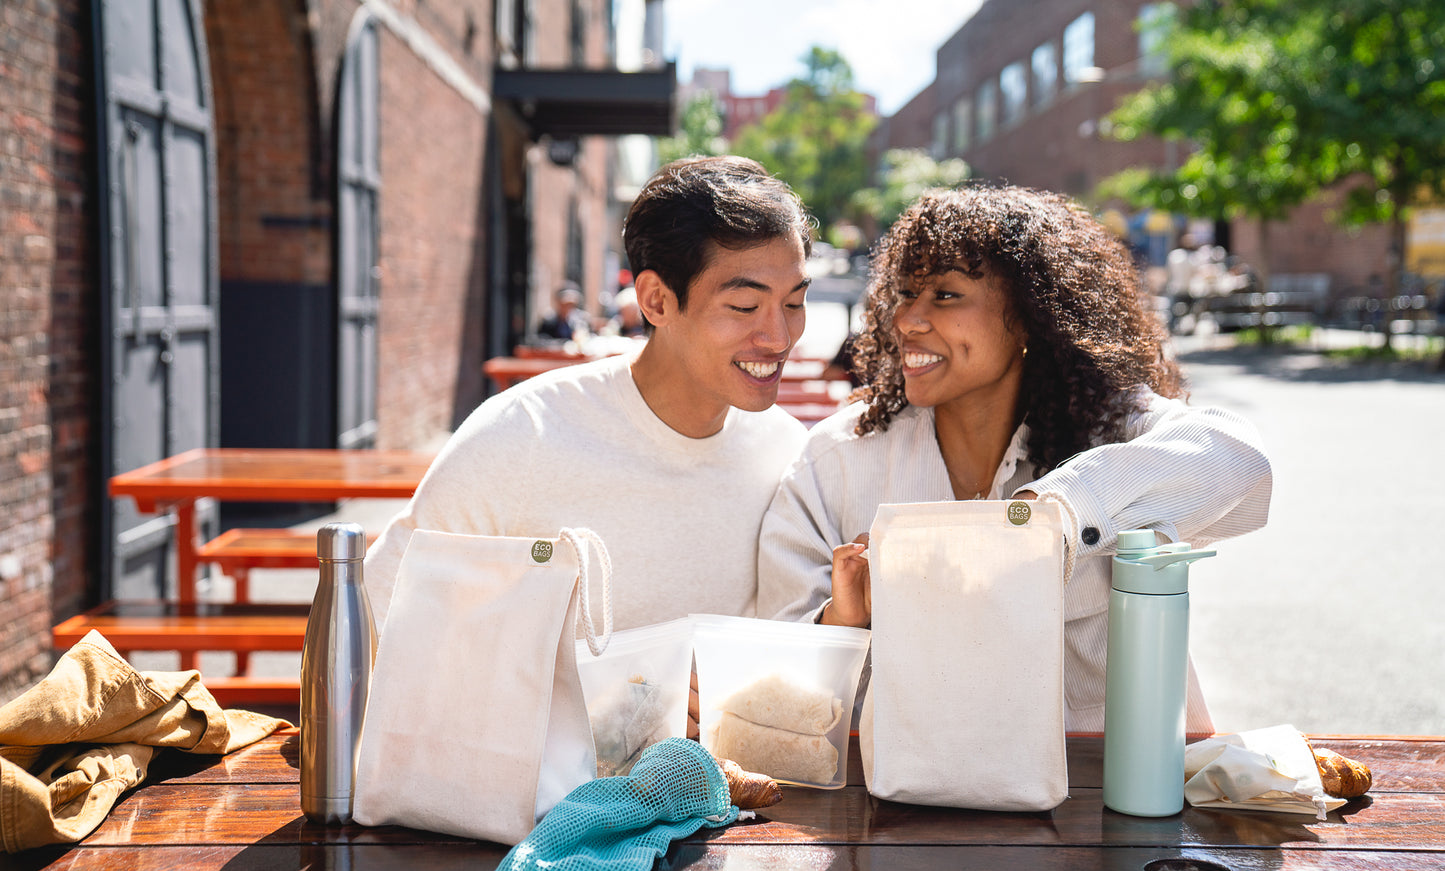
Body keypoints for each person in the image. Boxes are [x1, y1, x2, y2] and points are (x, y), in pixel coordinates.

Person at [756, 186, 1272, 734]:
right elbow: (774, 672)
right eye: (905, 293)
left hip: (1113, 776)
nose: (908, 320)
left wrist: (1054, 514)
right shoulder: (838, 459)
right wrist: (843, 620)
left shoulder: (1108, 426)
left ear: (1030, 314)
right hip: (905, 780)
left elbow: (1240, 460)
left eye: (946, 295)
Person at [366, 155, 815, 635]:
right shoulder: (524, 435)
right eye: (744, 306)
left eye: (794, 302)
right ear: (656, 300)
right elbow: (378, 609)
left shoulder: (787, 454)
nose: (779, 337)